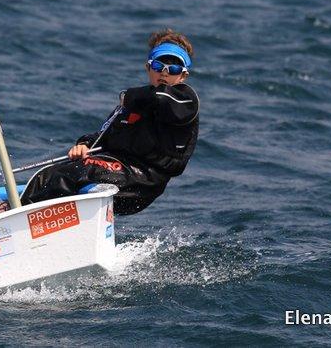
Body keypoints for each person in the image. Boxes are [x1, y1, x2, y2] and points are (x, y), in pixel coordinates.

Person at [20, 29, 200, 215]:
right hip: (118, 173)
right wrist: (84, 144)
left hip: (143, 181)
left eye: (174, 69)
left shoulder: (185, 100)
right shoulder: (134, 104)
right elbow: (103, 136)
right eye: (158, 66)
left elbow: (161, 97)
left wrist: (130, 96)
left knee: (68, 174)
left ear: (183, 76)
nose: (164, 72)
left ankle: (19, 222)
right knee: (51, 173)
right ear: (148, 67)